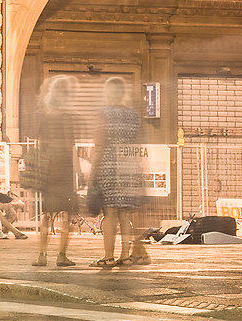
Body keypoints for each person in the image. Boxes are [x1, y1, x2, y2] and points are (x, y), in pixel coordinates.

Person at [90, 76, 150, 269]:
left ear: (108, 93)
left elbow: (99, 143)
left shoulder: (103, 113)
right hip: (129, 165)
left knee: (110, 213)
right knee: (125, 214)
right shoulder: (133, 115)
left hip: (108, 166)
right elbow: (138, 142)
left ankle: (108, 256)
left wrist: (93, 170)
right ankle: (125, 255)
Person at [26, 75, 81, 269]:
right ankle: (61, 255)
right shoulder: (66, 117)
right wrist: (78, 171)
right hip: (63, 168)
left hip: (47, 169)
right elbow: (70, 144)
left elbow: (35, 137)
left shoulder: (43, 114)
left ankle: (41, 255)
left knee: (46, 214)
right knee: (67, 214)